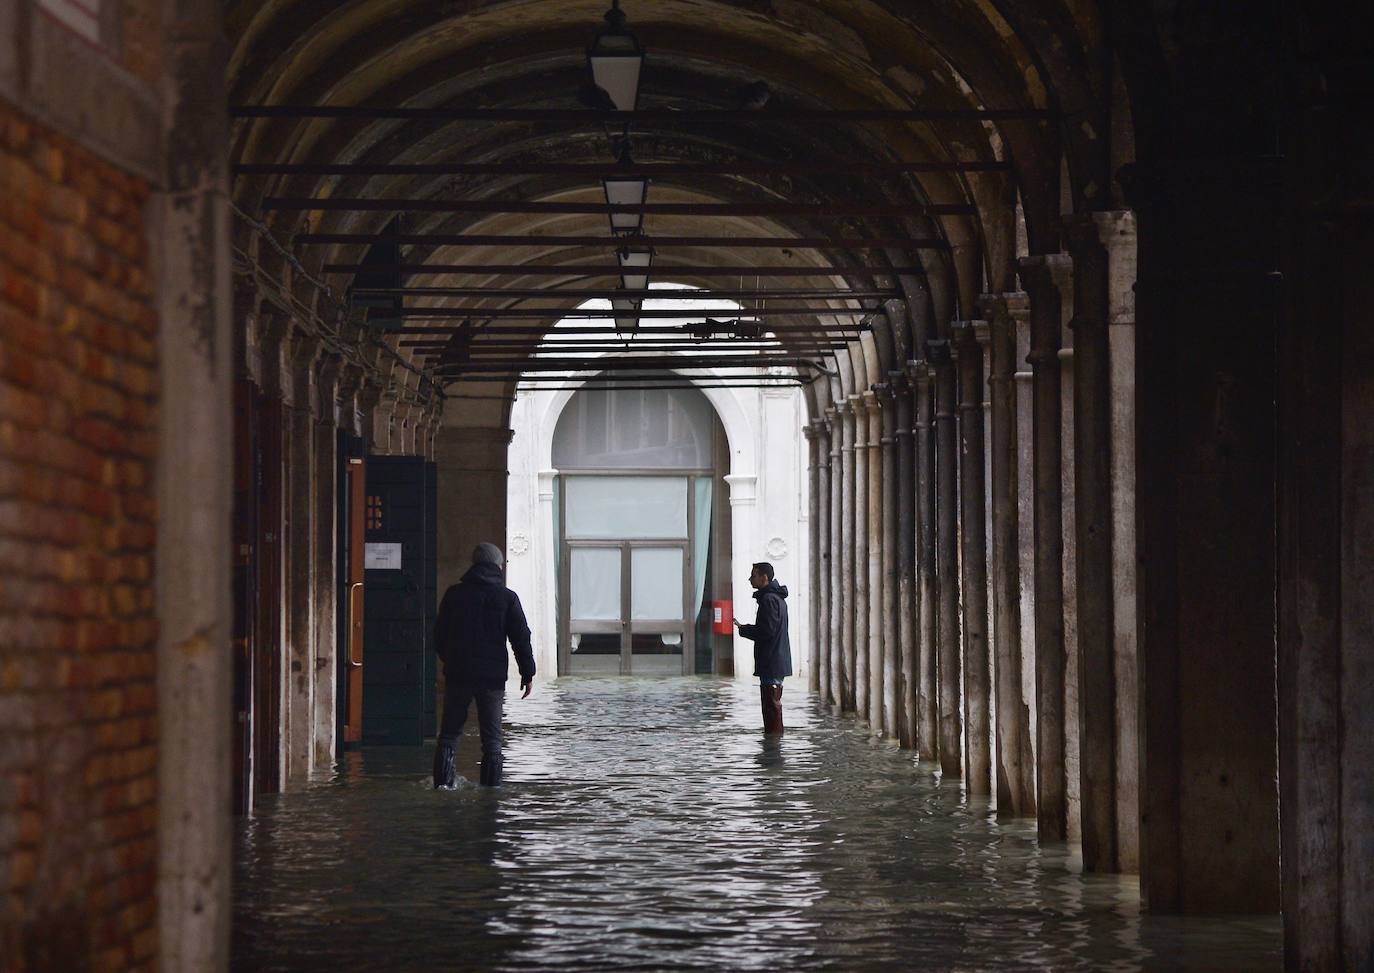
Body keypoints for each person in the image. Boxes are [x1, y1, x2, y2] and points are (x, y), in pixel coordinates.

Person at [432, 542, 534, 788]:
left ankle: (443, 786)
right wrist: (527, 673)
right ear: (498, 566)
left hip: (459, 674)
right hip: (492, 677)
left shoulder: (454, 595)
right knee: (492, 739)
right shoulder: (507, 597)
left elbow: (439, 635)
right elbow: (521, 637)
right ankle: (491, 793)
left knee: (449, 734)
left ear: (474, 564)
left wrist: (452, 659)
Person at [733, 561, 792, 734]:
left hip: (771, 660)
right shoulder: (776, 599)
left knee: (771, 705)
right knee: (771, 704)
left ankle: (774, 742)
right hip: (775, 659)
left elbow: (767, 631)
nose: (750, 579)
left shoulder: (769, 600)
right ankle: (774, 740)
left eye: (753, 575)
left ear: (764, 578)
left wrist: (744, 629)